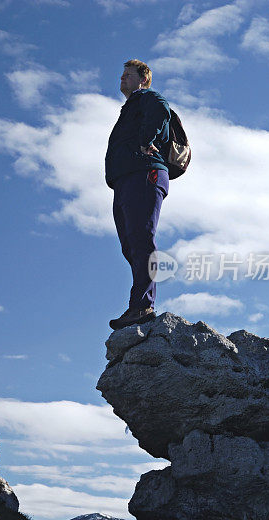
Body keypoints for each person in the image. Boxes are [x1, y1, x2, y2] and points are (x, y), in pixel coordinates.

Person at [105, 59, 171, 330]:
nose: (122, 79)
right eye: (121, 75)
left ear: (143, 79)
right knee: (131, 244)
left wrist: (146, 141)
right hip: (126, 179)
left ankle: (143, 306)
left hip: (144, 174)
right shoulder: (132, 106)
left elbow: (161, 110)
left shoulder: (147, 97)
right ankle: (138, 304)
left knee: (141, 239)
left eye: (128, 75)